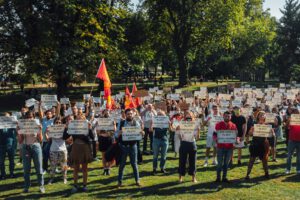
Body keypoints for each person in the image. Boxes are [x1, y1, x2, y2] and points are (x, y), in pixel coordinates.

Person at [63, 114, 94, 193]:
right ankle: (75, 185)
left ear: (84, 120)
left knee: (84, 168)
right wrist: (66, 127)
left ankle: (84, 185)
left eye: (81, 118)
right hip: (76, 148)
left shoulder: (86, 127)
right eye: (78, 119)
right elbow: (64, 137)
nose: (79, 120)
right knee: (76, 168)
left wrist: (90, 128)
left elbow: (92, 137)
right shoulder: (73, 127)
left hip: (85, 148)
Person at [17, 111, 45, 193]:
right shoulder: (23, 126)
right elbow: (20, 140)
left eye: (31, 116)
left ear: (33, 117)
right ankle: (26, 187)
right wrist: (18, 132)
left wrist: (40, 130)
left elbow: (40, 140)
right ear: (26, 118)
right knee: (26, 169)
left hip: (36, 146)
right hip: (25, 147)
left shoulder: (37, 125)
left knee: (39, 168)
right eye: (28, 117)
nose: (30, 118)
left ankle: (41, 186)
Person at [116, 108, 142, 188]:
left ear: (133, 114)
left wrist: (142, 133)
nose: (129, 115)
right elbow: (116, 135)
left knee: (134, 164)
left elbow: (140, 135)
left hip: (133, 146)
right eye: (128, 114)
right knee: (122, 165)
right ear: (125, 115)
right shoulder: (122, 122)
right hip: (123, 147)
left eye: (131, 114)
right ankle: (119, 182)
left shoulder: (136, 123)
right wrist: (119, 133)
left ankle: (137, 180)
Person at [245, 111, 274, 180]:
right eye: (261, 115)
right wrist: (251, 131)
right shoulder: (254, 124)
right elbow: (249, 133)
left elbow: (272, 135)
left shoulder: (267, 125)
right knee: (251, 160)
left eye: (263, 115)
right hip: (255, 144)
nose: (262, 116)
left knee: (264, 161)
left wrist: (272, 132)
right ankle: (247, 174)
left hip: (264, 144)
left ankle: (266, 174)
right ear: (258, 116)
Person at [214, 111, 237, 183]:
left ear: (231, 117)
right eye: (226, 116)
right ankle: (218, 178)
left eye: (229, 116)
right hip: (220, 146)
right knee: (220, 163)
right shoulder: (218, 124)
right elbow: (214, 134)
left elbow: (235, 135)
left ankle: (224, 177)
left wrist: (237, 140)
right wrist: (216, 139)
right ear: (223, 116)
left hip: (229, 147)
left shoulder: (233, 125)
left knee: (226, 163)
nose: (227, 117)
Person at [177, 111, 200, 183]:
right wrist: (182, 139)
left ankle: (193, 177)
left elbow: (197, 138)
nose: (188, 117)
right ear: (185, 117)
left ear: (192, 117)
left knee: (193, 161)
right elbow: (179, 135)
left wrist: (198, 130)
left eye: (190, 116)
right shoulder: (181, 123)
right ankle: (180, 177)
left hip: (192, 143)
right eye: (187, 116)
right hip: (184, 143)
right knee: (182, 161)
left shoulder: (195, 124)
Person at [45, 116, 68, 184]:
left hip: (63, 149)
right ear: (54, 123)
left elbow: (68, 138)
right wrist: (46, 133)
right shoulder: (51, 129)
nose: (58, 124)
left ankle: (64, 178)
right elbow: (48, 139)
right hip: (53, 149)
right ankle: (51, 178)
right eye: (56, 122)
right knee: (53, 165)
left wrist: (66, 129)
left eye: (59, 122)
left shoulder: (64, 129)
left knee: (63, 165)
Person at [150, 110, 170, 174]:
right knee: (155, 155)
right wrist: (152, 124)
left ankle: (162, 168)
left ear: (164, 116)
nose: (160, 116)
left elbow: (171, 130)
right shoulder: (155, 122)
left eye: (162, 115)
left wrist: (170, 124)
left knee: (163, 155)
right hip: (156, 140)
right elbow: (150, 130)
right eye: (159, 115)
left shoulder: (166, 121)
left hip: (164, 140)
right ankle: (154, 169)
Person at [97, 110, 116, 175]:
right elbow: (98, 132)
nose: (106, 114)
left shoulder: (112, 120)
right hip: (102, 139)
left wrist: (114, 124)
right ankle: (105, 168)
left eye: (107, 113)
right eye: (105, 113)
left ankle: (108, 168)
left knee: (111, 155)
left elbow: (114, 130)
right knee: (103, 155)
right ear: (103, 113)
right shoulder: (100, 121)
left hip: (110, 139)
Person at [0, 113, 17, 179]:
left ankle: (11, 173)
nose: (6, 118)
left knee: (11, 161)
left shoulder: (12, 124)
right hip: (1, 144)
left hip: (11, 144)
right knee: (1, 161)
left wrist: (16, 123)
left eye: (8, 117)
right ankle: (3, 175)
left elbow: (18, 131)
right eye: (5, 117)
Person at [285, 109, 300, 174]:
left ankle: (298, 169)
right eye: (295, 113)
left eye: (298, 113)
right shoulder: (291, 119)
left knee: (299, 156)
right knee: (289, 156)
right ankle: (288, 169)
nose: (296, 114)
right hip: (292, 140)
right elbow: (286, 126)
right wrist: (288, 120)